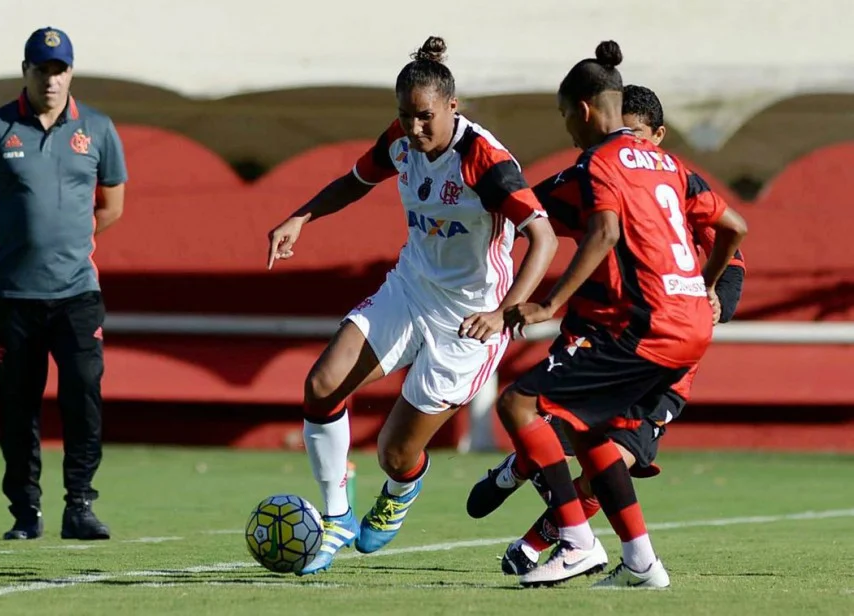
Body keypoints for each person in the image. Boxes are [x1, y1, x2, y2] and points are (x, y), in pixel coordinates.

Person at [267, 36, 558, 575]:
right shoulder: (400, 140)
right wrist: (300, 217)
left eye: (425, 117)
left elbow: (543, 238)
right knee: (322, 384)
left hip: (469, 319)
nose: (415, 129)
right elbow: (355, 182)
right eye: (405, 117)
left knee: (394, 454)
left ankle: (401, 487)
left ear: (453, 106)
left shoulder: (486, 162)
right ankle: (335, 518)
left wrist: (504, 312)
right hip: (410, 289)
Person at [465, 41, 748, 589]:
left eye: (565, 114)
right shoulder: (671, 165)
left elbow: (605, 232)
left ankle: (574, 542)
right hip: (690, 327)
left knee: (519, 405)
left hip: (644, 327)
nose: (568, 127)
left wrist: (547, 303)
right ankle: (641, 563)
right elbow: (736, 226)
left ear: (585, 109)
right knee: (591, 428)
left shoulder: (598, 162)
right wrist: (702, 286)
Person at [0, 27, 127, 540]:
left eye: (60, 69)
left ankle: (81, 505)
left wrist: (69, 240)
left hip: (77, 292)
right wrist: (3, 244)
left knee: (83, 393)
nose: (51, 79)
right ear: (25, 71)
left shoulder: (97, 129)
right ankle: (25, 512)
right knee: (18, 406)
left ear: (70, 72)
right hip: (11, 296)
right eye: (42, 69)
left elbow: (112, 205)